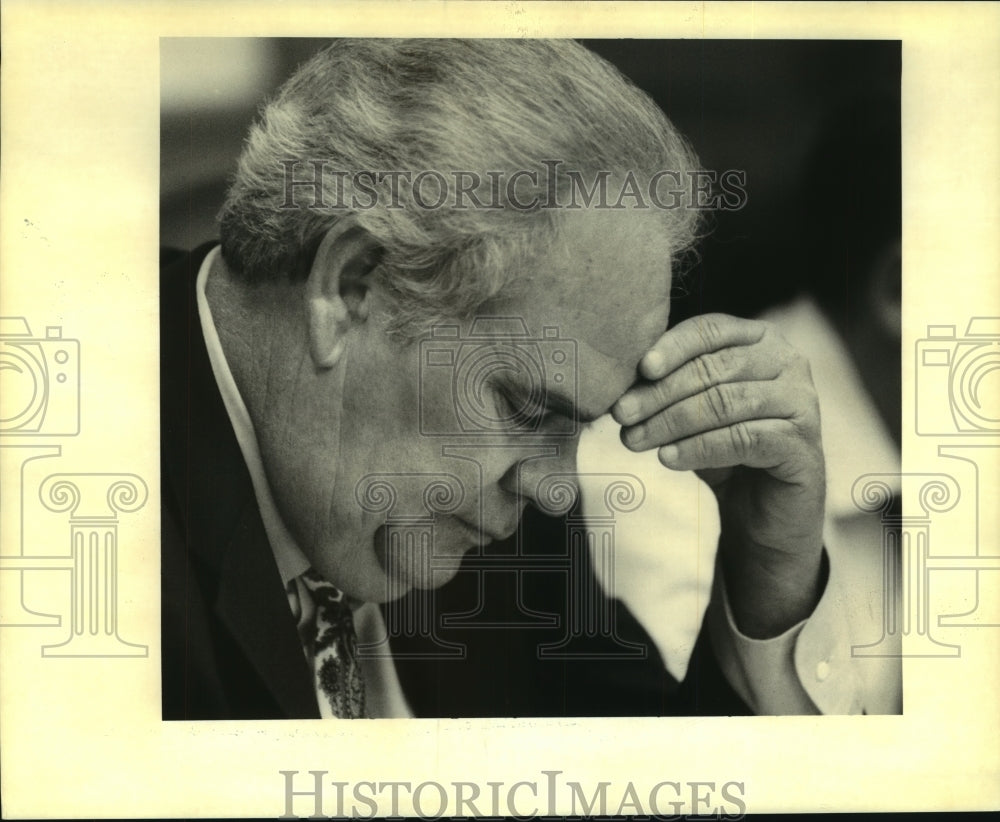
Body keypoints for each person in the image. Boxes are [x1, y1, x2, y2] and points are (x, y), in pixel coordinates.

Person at [161, 38, 893, 719]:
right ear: (352, 286)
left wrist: (769, 578)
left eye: (579, 426)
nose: (556, 487)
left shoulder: (488, 511)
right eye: (522, 405)